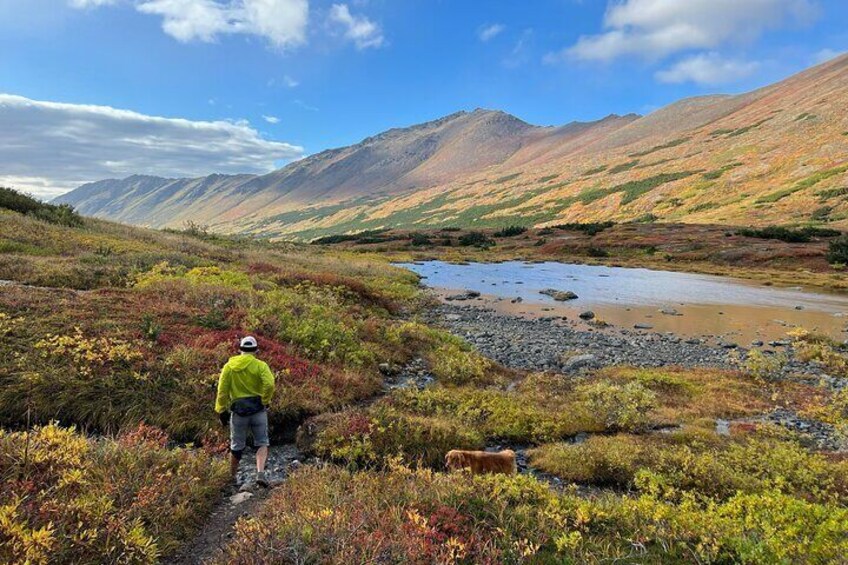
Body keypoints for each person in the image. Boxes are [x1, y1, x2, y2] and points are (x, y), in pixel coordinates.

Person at [215, 336, 276, 487]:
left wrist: (221, 409)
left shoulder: (229, 367)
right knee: (262, 443)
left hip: (238, 413)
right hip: (258, 411)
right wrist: (265, 401)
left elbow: (222, 390)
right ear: (256, 350)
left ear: (240, 349)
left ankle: (232, 477)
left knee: (237, 446)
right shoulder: (260, 365)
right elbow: (269, 384)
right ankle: (260, 473)